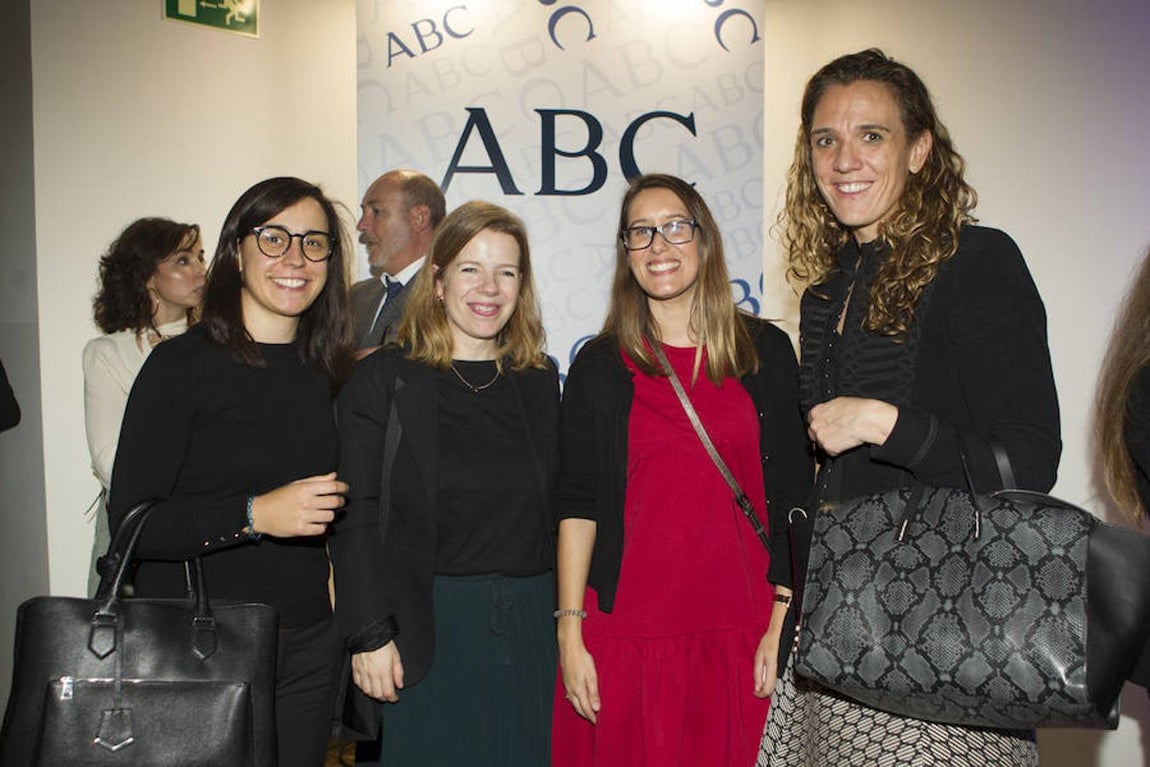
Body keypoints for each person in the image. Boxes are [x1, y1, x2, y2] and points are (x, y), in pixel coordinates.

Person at [756, 49, 1060, 767]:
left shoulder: (978, 263)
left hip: (942, 639)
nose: (844, 158)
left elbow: (1027, 460)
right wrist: (783, 609)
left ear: (920, 149)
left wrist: (885, 422)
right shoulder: (825, 291)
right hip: (830, 633)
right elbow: (818, 481)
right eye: (825, 139)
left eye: (872, 135)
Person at [551, 173, 813, 767]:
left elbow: (795, 494)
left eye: (674, 226)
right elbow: (577, 503)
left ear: (704, 239)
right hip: (625, 630)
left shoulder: (765, 351)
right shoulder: (599, 364)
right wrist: (570, 634)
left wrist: (782, 619)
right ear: (625, 253)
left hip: (743, 628)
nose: (658, 245)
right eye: (640, 232)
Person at [108, 177, 353, 767]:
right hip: (202, 643)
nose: (295, 258)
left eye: (314, 242)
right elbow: (132, 526)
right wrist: (254, 515)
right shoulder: (181, 367)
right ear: (236, 252)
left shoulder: (327, 371)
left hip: (307, 645)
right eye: (274, 238)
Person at [332, 200, 559, 766]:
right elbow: (353, 514)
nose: (489, 287)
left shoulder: (539, 380)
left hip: (532, 630)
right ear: (437, 281)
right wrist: (368, 633)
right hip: (423, 630)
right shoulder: (382, 381)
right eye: (470, 269)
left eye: (506, 271)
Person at [82, 217, 205, 594]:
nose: (201, 269)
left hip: (211, 529)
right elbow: (109, 462)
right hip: (137, 532)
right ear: (148, 276)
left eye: (201, 257)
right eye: (183, 261)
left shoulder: (221, 347)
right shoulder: (109, 354)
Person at [351, 169, 446, 352]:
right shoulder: (357, 296)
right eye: (364, 212)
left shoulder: (452, 298)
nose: (362, 225)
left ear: (419, 218)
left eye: (376, 211)